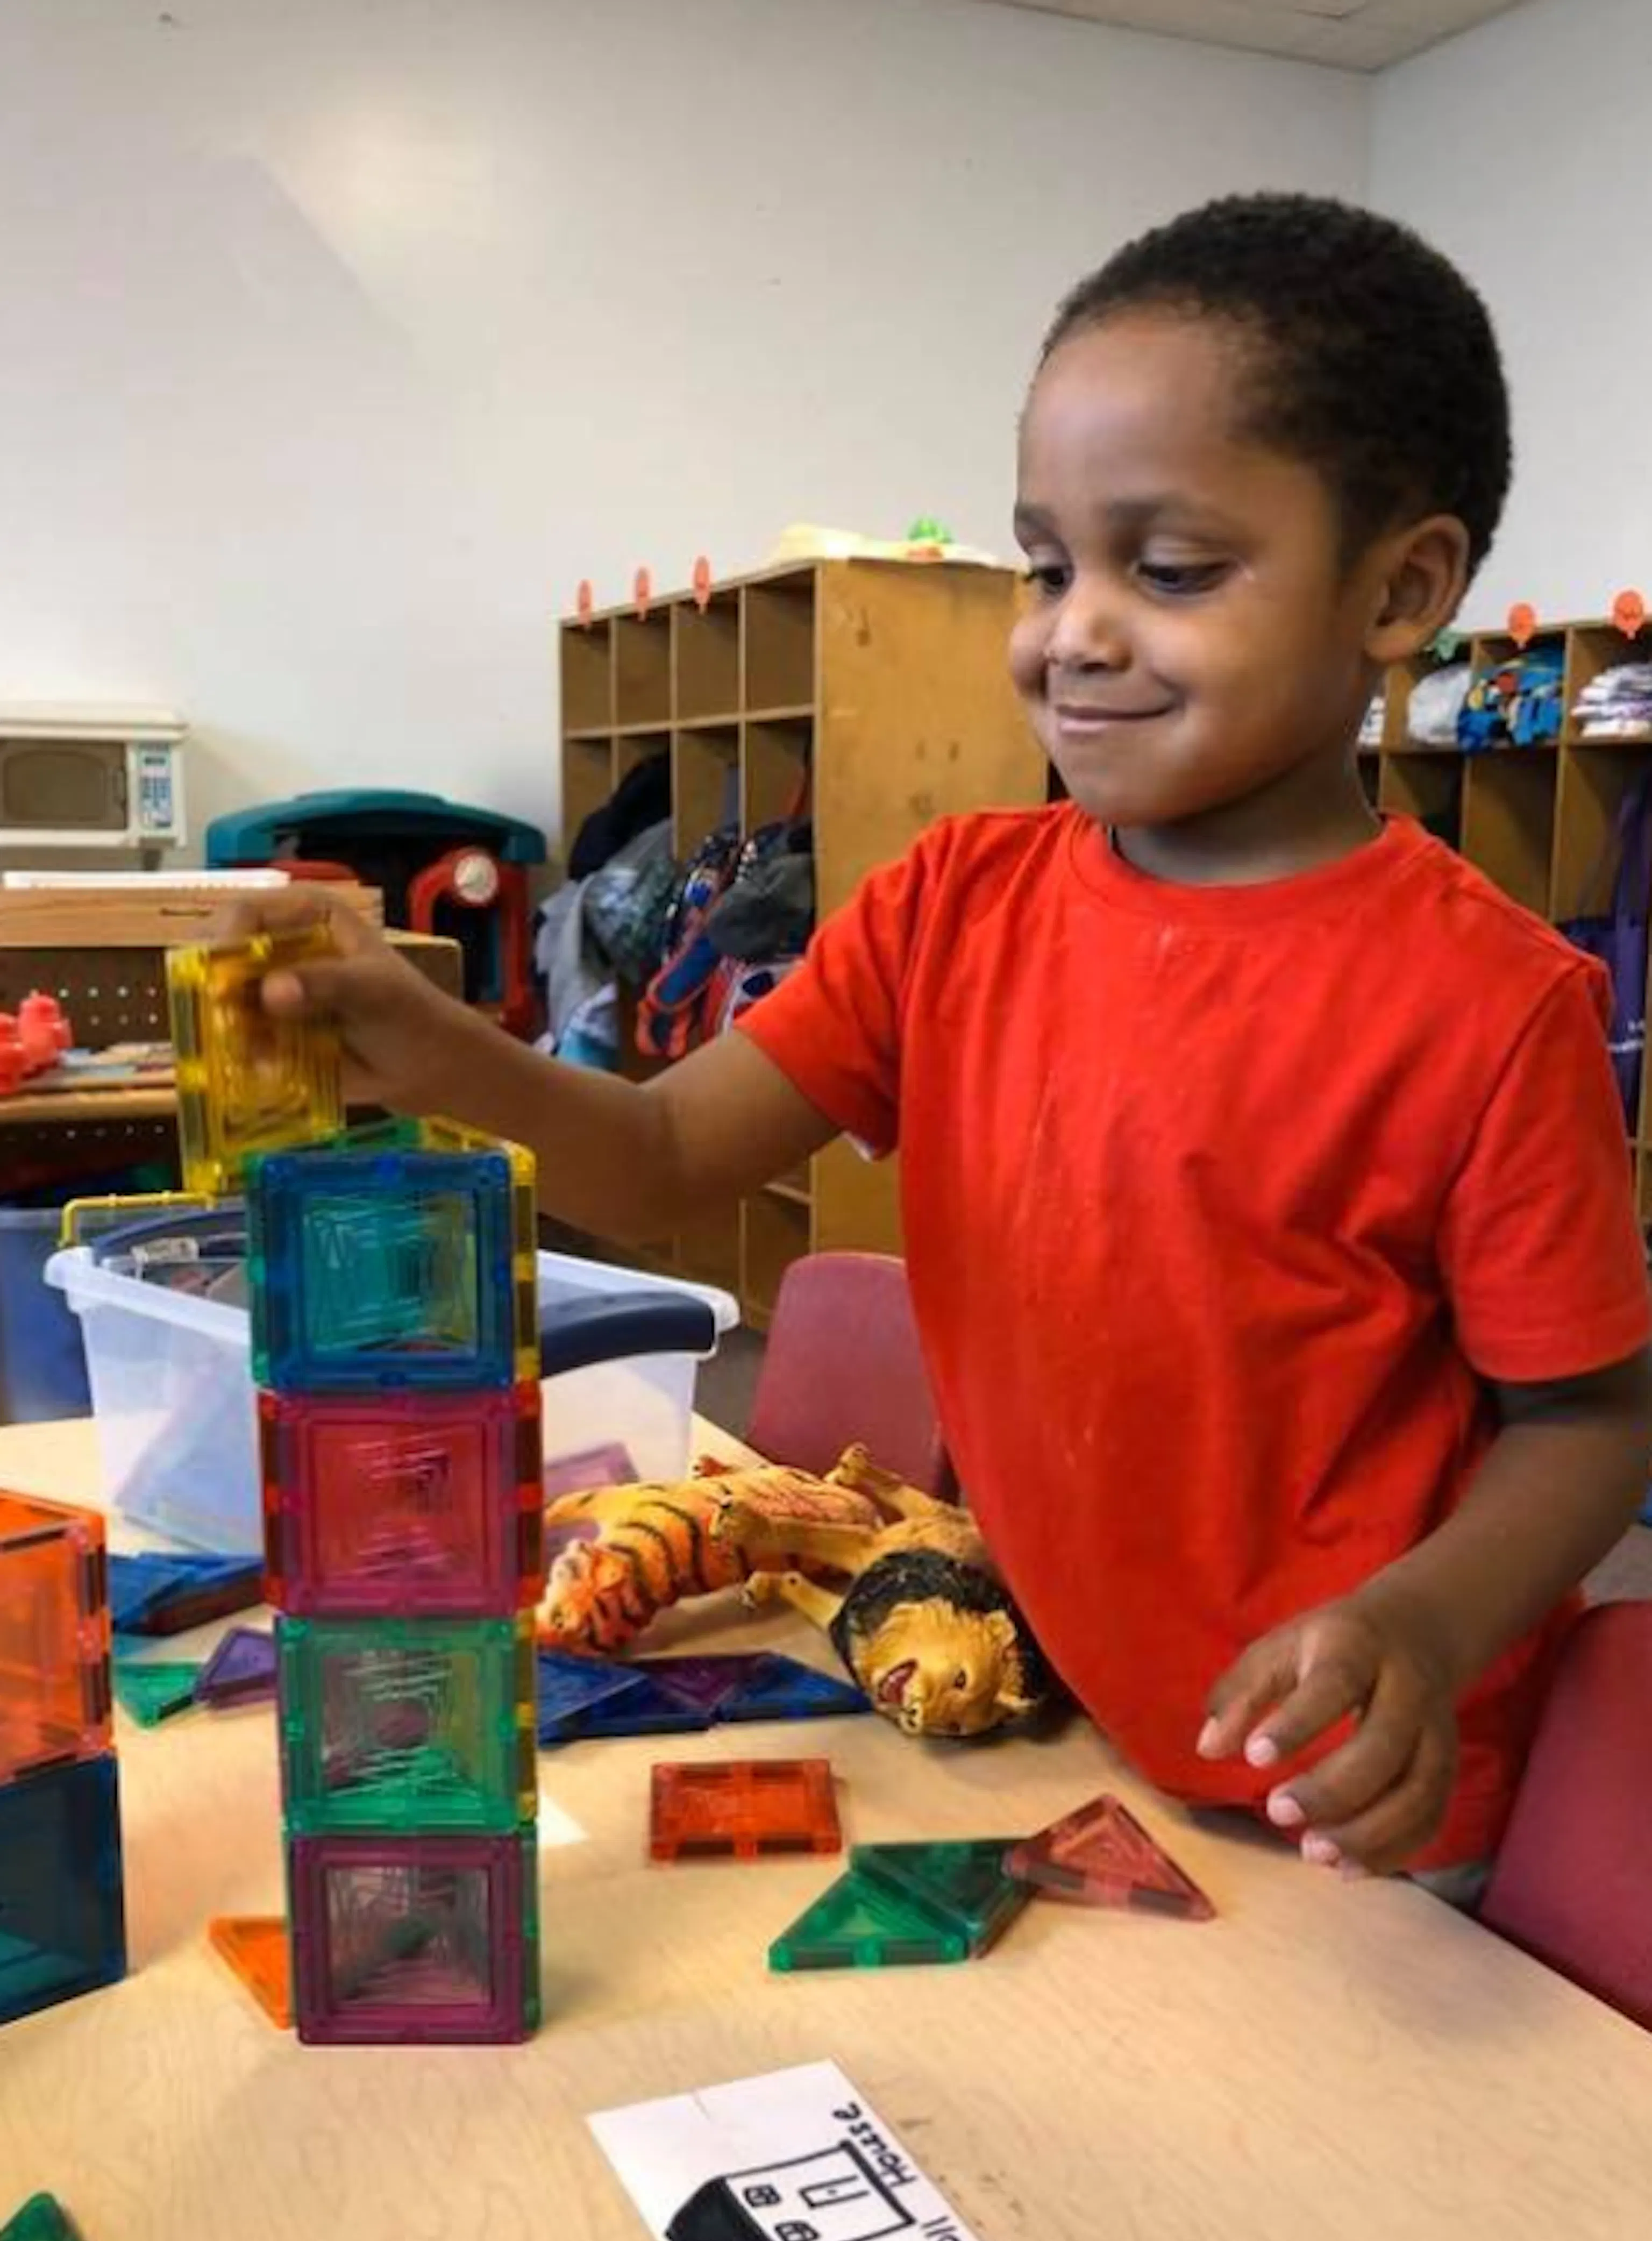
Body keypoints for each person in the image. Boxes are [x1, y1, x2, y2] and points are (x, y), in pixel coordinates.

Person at [227, 193, 1652, 1894]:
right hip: (1084, 1723)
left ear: (1400, 589)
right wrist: (439, 1051)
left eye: (1171, 571)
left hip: (1358, 1807)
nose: (1073, 631)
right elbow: (667, 1157)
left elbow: (1593, 1423)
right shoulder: (953, 905)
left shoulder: (1490, 1004)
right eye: (1049, 565)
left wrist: (1420, 1625)